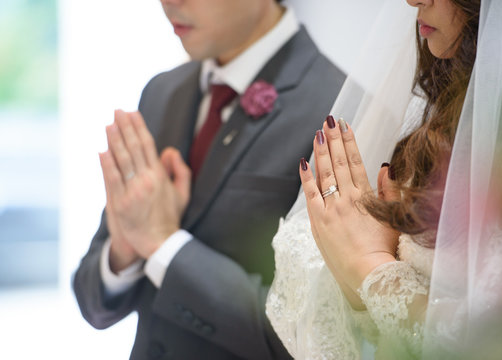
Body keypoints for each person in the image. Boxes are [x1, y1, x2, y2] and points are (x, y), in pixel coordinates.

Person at [72, 0, 345, 358]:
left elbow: (314, 334)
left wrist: (161, 244)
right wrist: (125, 250)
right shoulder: (162, 92)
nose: (170, 3)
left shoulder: (338, 110)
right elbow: (92, 300)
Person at [267, 0, 502, 358]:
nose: (412, 1)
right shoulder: (444, 120)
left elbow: (497, 343)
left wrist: (370, 266)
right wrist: (356, 283)